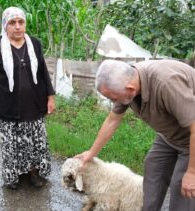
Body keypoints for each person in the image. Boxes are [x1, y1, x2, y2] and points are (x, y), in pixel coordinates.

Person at [75, 59, 195, 211]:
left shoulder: (166, 83)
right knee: (153, 167)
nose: (113, 102)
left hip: (191, 137)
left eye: (113, 98)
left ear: (131, 89)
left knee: (183, 187)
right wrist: (91, 154)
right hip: (169, 135)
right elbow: (112, 120)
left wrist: (192, 172)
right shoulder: (125, 84)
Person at [0, 7, 55, 189]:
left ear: (25, 24)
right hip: (7, 105)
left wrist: (50, 97)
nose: (17, 27)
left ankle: (34, 173)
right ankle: (12, 176)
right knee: (11, 145)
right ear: (5, 26)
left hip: (34, 104)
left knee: (35, 142)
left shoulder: (35, 44)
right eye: (12, 23)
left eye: (20, 22)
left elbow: (43, 72)